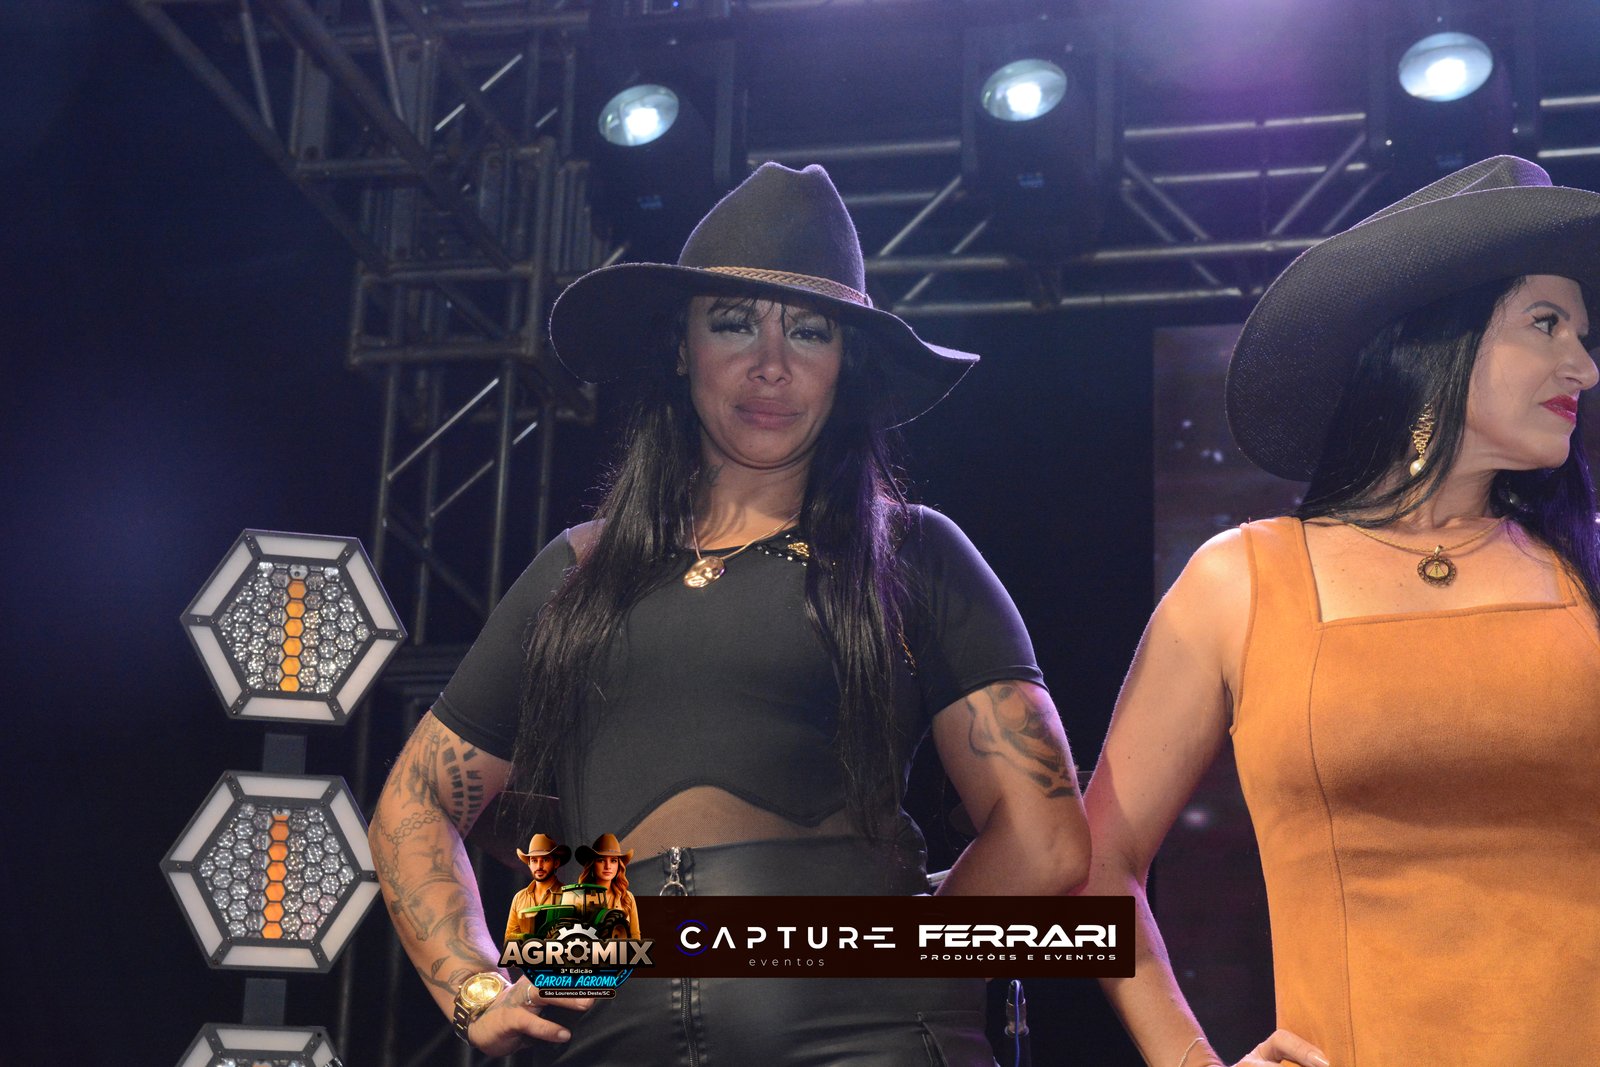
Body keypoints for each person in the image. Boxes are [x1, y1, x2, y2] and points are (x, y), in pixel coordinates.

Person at [368, 161, 1090, 1063]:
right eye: (735, 323)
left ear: (846, 365)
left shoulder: (911, 553)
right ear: (682, 347)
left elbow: (1048, 841)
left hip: (865, 1040)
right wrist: (471, 984)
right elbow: (416, 797)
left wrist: (895, 954)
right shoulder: (579, 569)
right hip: (605, 1037)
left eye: (810, 332)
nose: (771, 365)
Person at [1078, 154, 1600, 1067]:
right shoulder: (1242, 581)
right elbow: (1093, 865)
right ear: (1436, 338)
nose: (1585, 367)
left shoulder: (1583, 574)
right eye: (1546, 323)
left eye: (1585, 335)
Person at [570, 833, 641, 939]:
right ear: (593, 864)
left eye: (613, 861)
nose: (608, 866)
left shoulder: (627, 897)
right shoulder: (578, 897)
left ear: (619, 865)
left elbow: (635, 935)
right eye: (601, 860)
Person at [504, 833, 571, 941]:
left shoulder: (570, 896)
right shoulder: (519, 898)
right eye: (534, 860)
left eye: (545, 860)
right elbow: (509, 939)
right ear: (529, 864)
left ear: (556, 863)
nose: (539, 866)